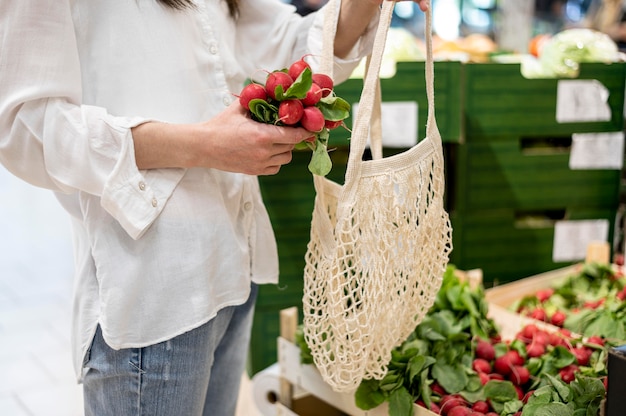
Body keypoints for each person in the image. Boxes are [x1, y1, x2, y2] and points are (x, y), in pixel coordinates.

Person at [0, 0, 429, 415]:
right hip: (153, 287)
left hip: (233, 267)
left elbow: (295, 45)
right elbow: (25, 127)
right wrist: (204, 145)